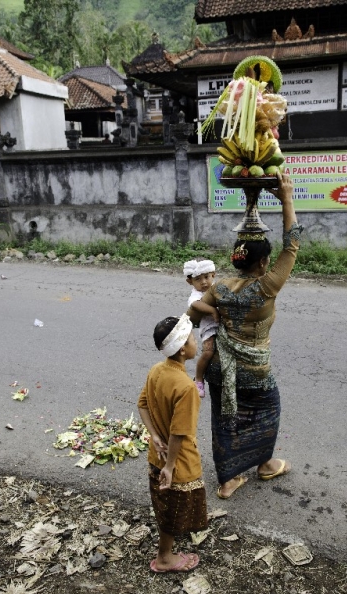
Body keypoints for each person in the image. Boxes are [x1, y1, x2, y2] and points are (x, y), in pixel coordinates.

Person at [188, 172, 302, 499]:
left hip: (220, 368)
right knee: (267, 410)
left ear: (237, 258)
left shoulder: (220, 287)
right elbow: (292, 243)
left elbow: (191, 314)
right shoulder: (267, 286)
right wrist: (287, 199)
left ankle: (227, 481)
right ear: (264, 261)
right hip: (255, 371)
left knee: (225, 418)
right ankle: (264, 465)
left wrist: (212, 312)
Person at [137, 314, 208, 573]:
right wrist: (169, 467)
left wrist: (154, 436)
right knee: (174, 510)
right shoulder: (186, 388)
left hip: (156, 456)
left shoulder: (157, 370)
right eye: (191, 338)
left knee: (164, 506)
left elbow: (142, 405)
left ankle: (166, 551)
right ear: (181, 349)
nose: (195, 341)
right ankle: (165, 558)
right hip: (178, 462)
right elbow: (179, 434)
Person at [183, 259, 220, 398]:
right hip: (209, 327)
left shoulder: (217, 287)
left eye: (206, 277)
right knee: (208, 352)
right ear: (190, 282)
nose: (203, 282)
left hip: (224, 325)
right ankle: (198, 379)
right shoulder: (196, 294)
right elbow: (195, 305)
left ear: (213, 275)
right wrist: (213, 311)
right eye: (198, 279)